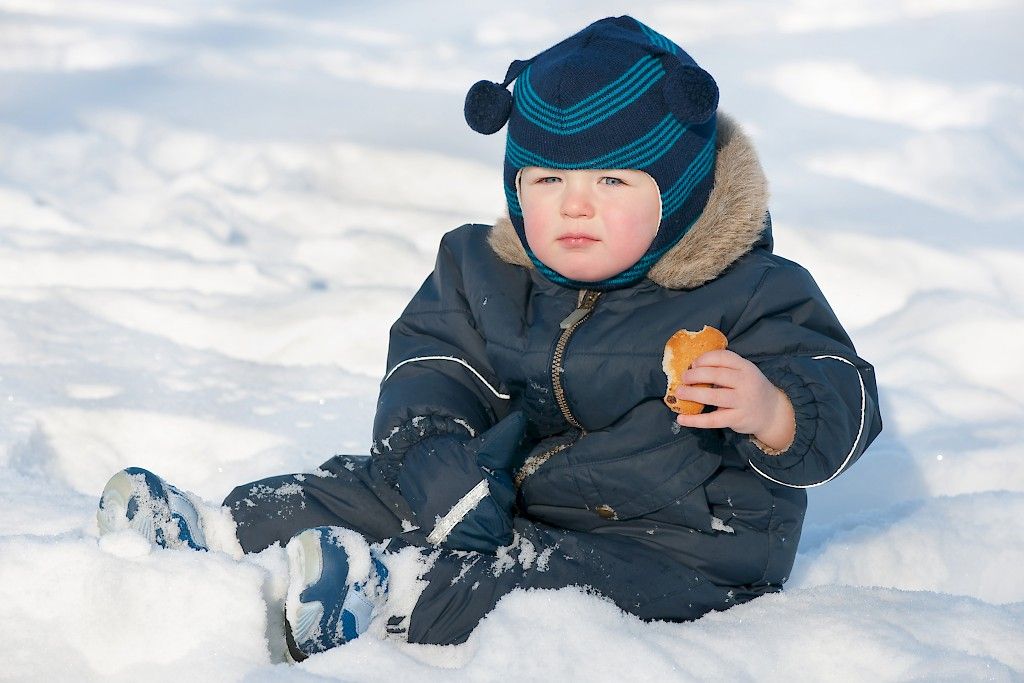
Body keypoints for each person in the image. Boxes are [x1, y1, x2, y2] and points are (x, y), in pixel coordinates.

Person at [97, 15, 881, 662]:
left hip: (679, 548)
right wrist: (433, 452)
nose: (575, 207)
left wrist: (774, 409)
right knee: (376, 484)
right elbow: (431, 362)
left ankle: (379, 596)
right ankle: (226, 531)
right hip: (504, 488)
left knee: (528, 581)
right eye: (548, 181)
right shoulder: (482, 267)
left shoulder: (753, 292)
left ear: (675, 192)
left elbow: (842, 393)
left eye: (612, 182)